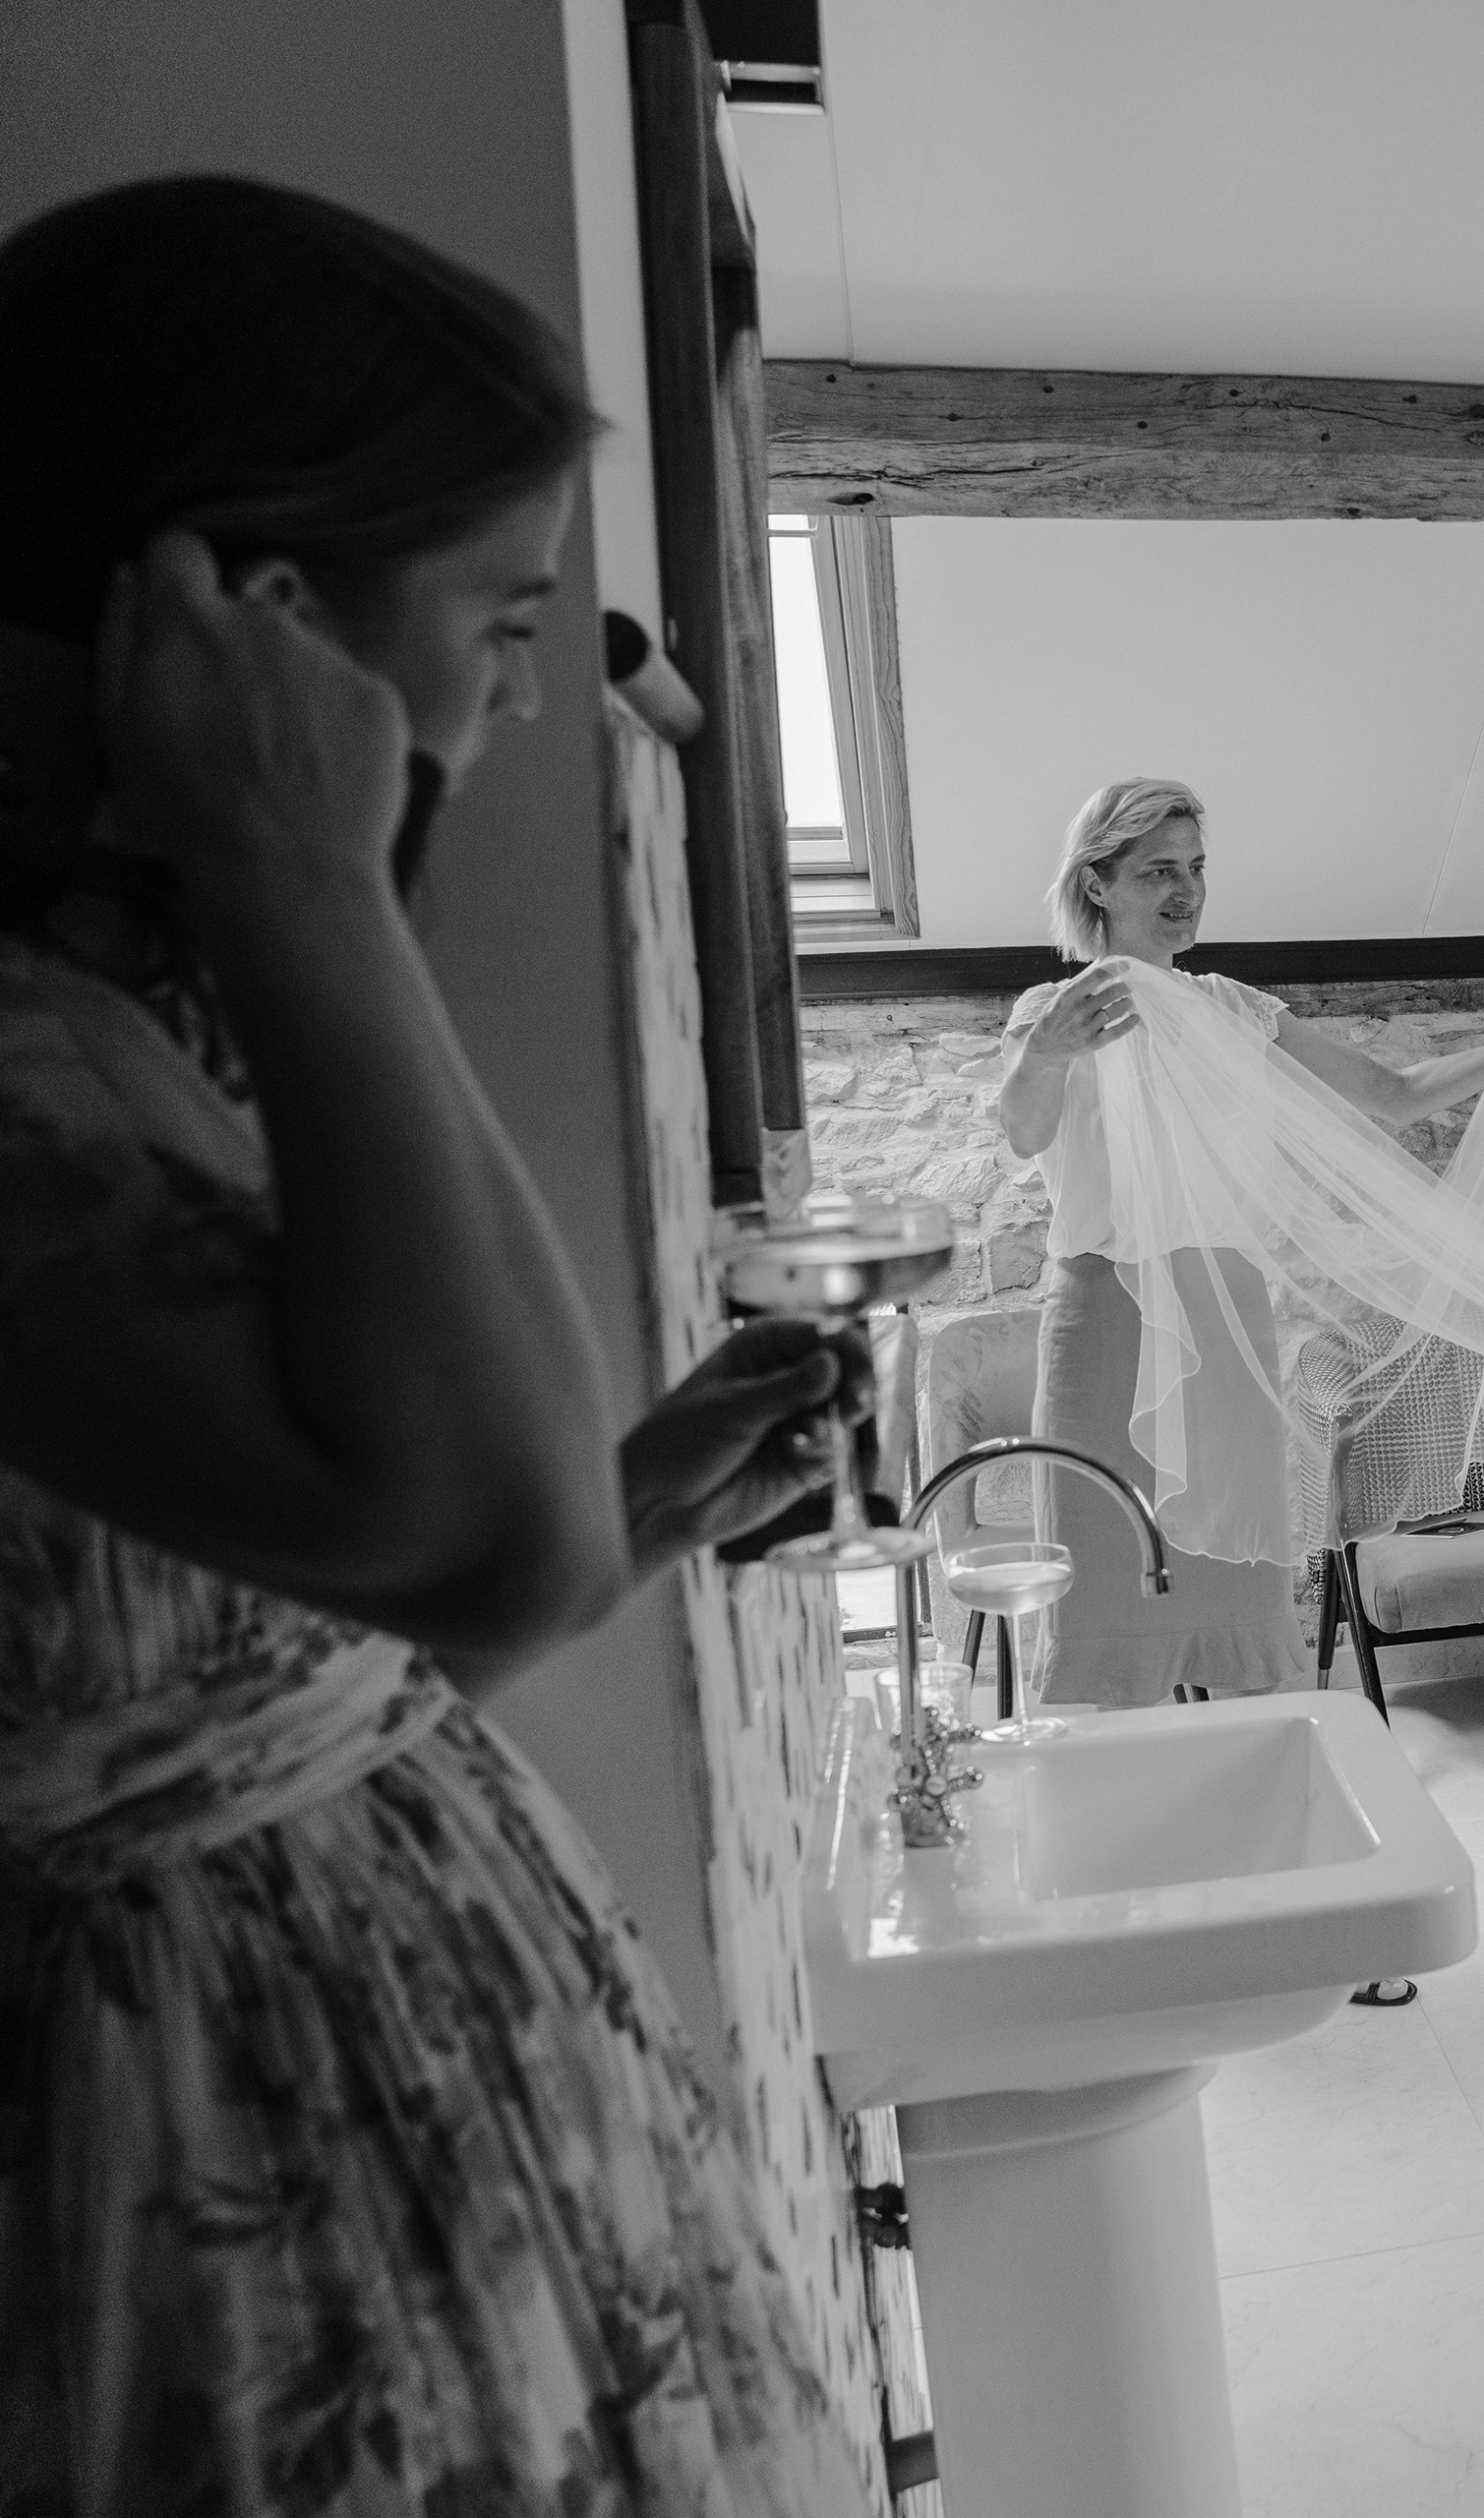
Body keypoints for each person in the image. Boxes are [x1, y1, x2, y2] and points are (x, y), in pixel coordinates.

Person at [0, 179, 861, 2510]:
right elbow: (476, 1534)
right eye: (499, 619)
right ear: (262, 624)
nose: (515, 697)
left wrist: (637, 1496)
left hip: (403, 2171)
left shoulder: (126, 1026)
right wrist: (302, 869)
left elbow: (244, 1707)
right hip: (199, 2221)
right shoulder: (39, 1071)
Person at [992, 776, 1484, 1702]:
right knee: (1103, 1576)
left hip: (1226, 1319)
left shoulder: (1234, 1009)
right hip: (1103, 1321)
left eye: (1195, 868)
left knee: (1242, 1589)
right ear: (1098, 882)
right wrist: (1048, 1052)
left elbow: (1398, 1095)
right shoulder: (1052, 1012)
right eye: (1158, 870)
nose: (1185, 891)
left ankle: (1257, 1769)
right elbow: (1024, 1133)